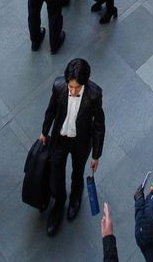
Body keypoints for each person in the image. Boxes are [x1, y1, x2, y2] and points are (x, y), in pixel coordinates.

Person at [40, 57, 106, 235]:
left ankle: (75, 197)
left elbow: (99, 125)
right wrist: (44, 132)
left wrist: (96, 155)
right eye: (71, 86)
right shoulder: (59, 87)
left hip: (81, 141)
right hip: (60, 138)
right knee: (56, 170)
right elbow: (51, 111)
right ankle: (59, 203)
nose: (74, 90)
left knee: (78, 172)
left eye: (77, 87)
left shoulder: (94, 95)